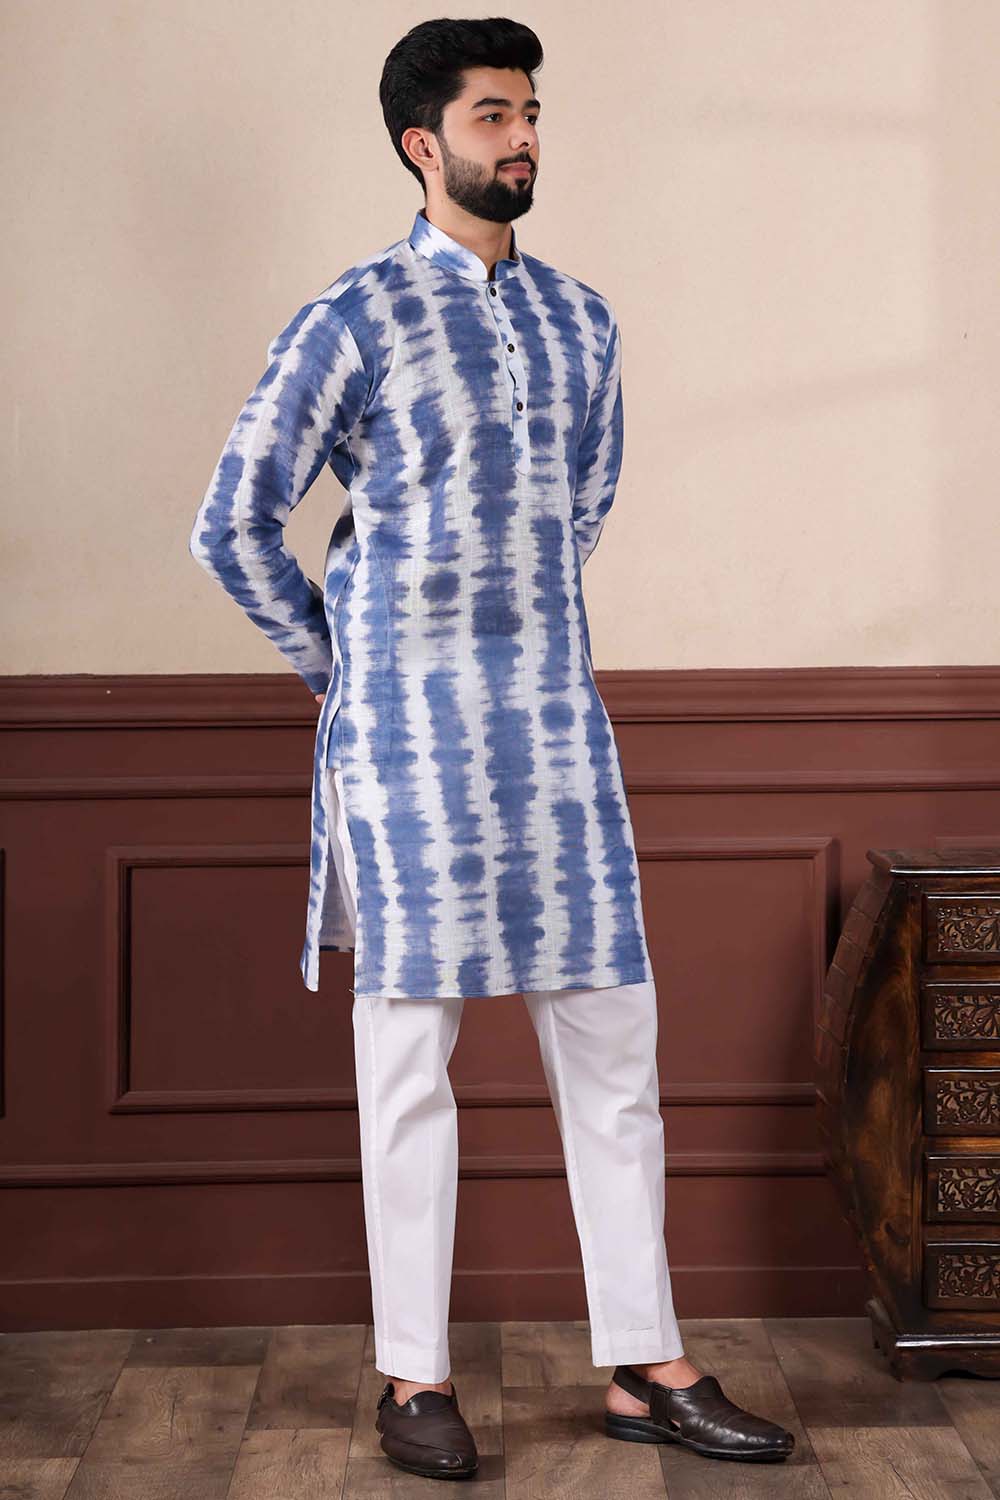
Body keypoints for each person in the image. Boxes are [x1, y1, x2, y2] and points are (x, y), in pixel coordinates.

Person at [189, 15, 795, 1481]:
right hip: (407, 753)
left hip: (559, 737)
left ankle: (647, 1364)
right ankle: (415, 1379)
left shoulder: (581, 322)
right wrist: (351, 668)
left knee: (616, 1052)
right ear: (423, 142)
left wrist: (507, 637)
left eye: (531, 113)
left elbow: (581, 507)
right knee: (409, 1064)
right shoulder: (351, 318)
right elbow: (232, 523)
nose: (523, 136)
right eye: (493, 115)